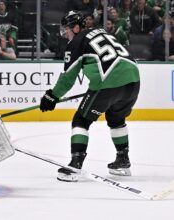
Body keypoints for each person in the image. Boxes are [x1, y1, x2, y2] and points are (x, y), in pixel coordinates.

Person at [39, 11, 140, 182]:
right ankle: (123, 160)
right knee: (116, 119)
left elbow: (68, 78)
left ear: (77, 28)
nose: (65, 35)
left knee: (81, 121)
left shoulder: (76, 42)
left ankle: (75, 164)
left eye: (67, 30)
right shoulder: (103, 32)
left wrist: (52, 96)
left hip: (108, 82)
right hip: (133, 80)